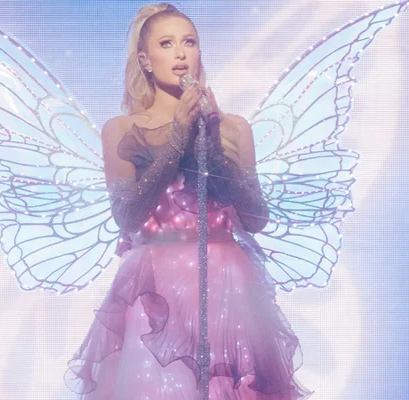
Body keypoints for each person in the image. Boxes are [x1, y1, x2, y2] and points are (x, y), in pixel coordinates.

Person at [64, 3, 313, 399]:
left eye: (189, 42)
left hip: (228, 284)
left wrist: (214, 147)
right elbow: (127, 215)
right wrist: (179, 134)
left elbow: (255, 218)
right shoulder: (122, 130)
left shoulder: (233, 128)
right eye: (166, 44)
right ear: (145, 60)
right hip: (156, 286)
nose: (180, 53)